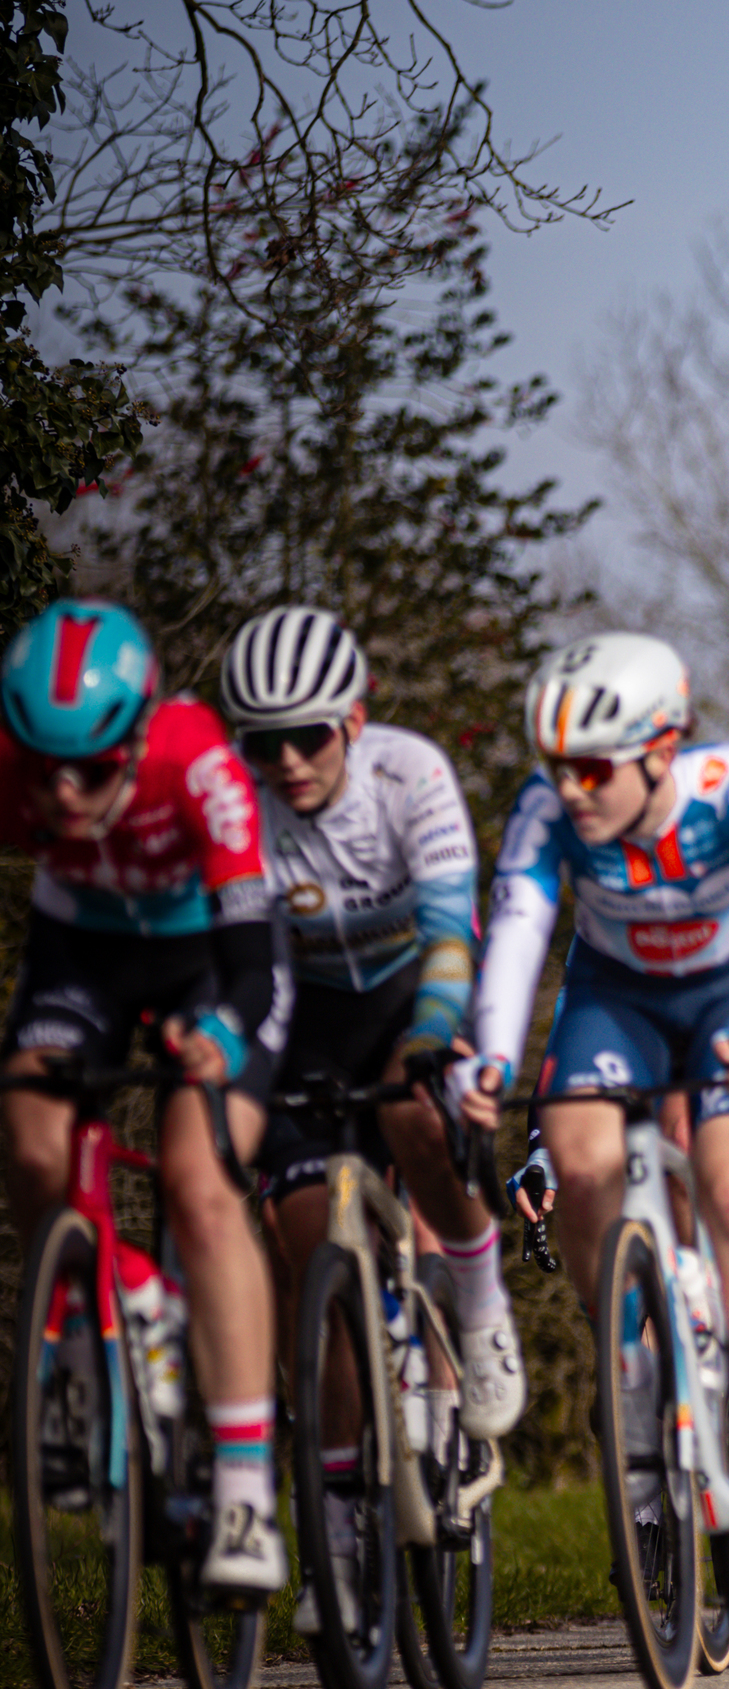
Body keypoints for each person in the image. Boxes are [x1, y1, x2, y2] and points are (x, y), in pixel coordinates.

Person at [450, 630, 729, 1562]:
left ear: (661, 750)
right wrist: (492, 1056)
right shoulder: (547, 807)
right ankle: (631, 1372)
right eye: (557, 767)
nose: (570, 789)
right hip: (617, 998)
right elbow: (521, 928)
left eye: (591, 768)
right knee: (577, 1164)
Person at [223, 607, 525, 1630]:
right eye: (262, 744)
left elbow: (451, 934)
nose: (287, 762)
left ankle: (478, 1304)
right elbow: (244, 968)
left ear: (353, 720)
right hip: (304, 1015)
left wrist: (432, 1038)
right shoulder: (246, 809)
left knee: (411, 1116)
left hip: (413, 993)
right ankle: (340, 1541)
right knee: (316, 1263)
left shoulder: (413, 775)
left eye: (307, 736)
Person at [0, 598, 290, 1593]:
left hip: (211, 962)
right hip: (81, 954)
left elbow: (255, 965)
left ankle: (247, 1489)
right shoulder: (20, 770)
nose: (64, 793)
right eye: (44, 768)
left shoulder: (198, 764)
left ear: (136, 736)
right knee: (34, 1141)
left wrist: (215, 1037)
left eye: (90, 769)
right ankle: (102, 1318)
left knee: (198, 1183)